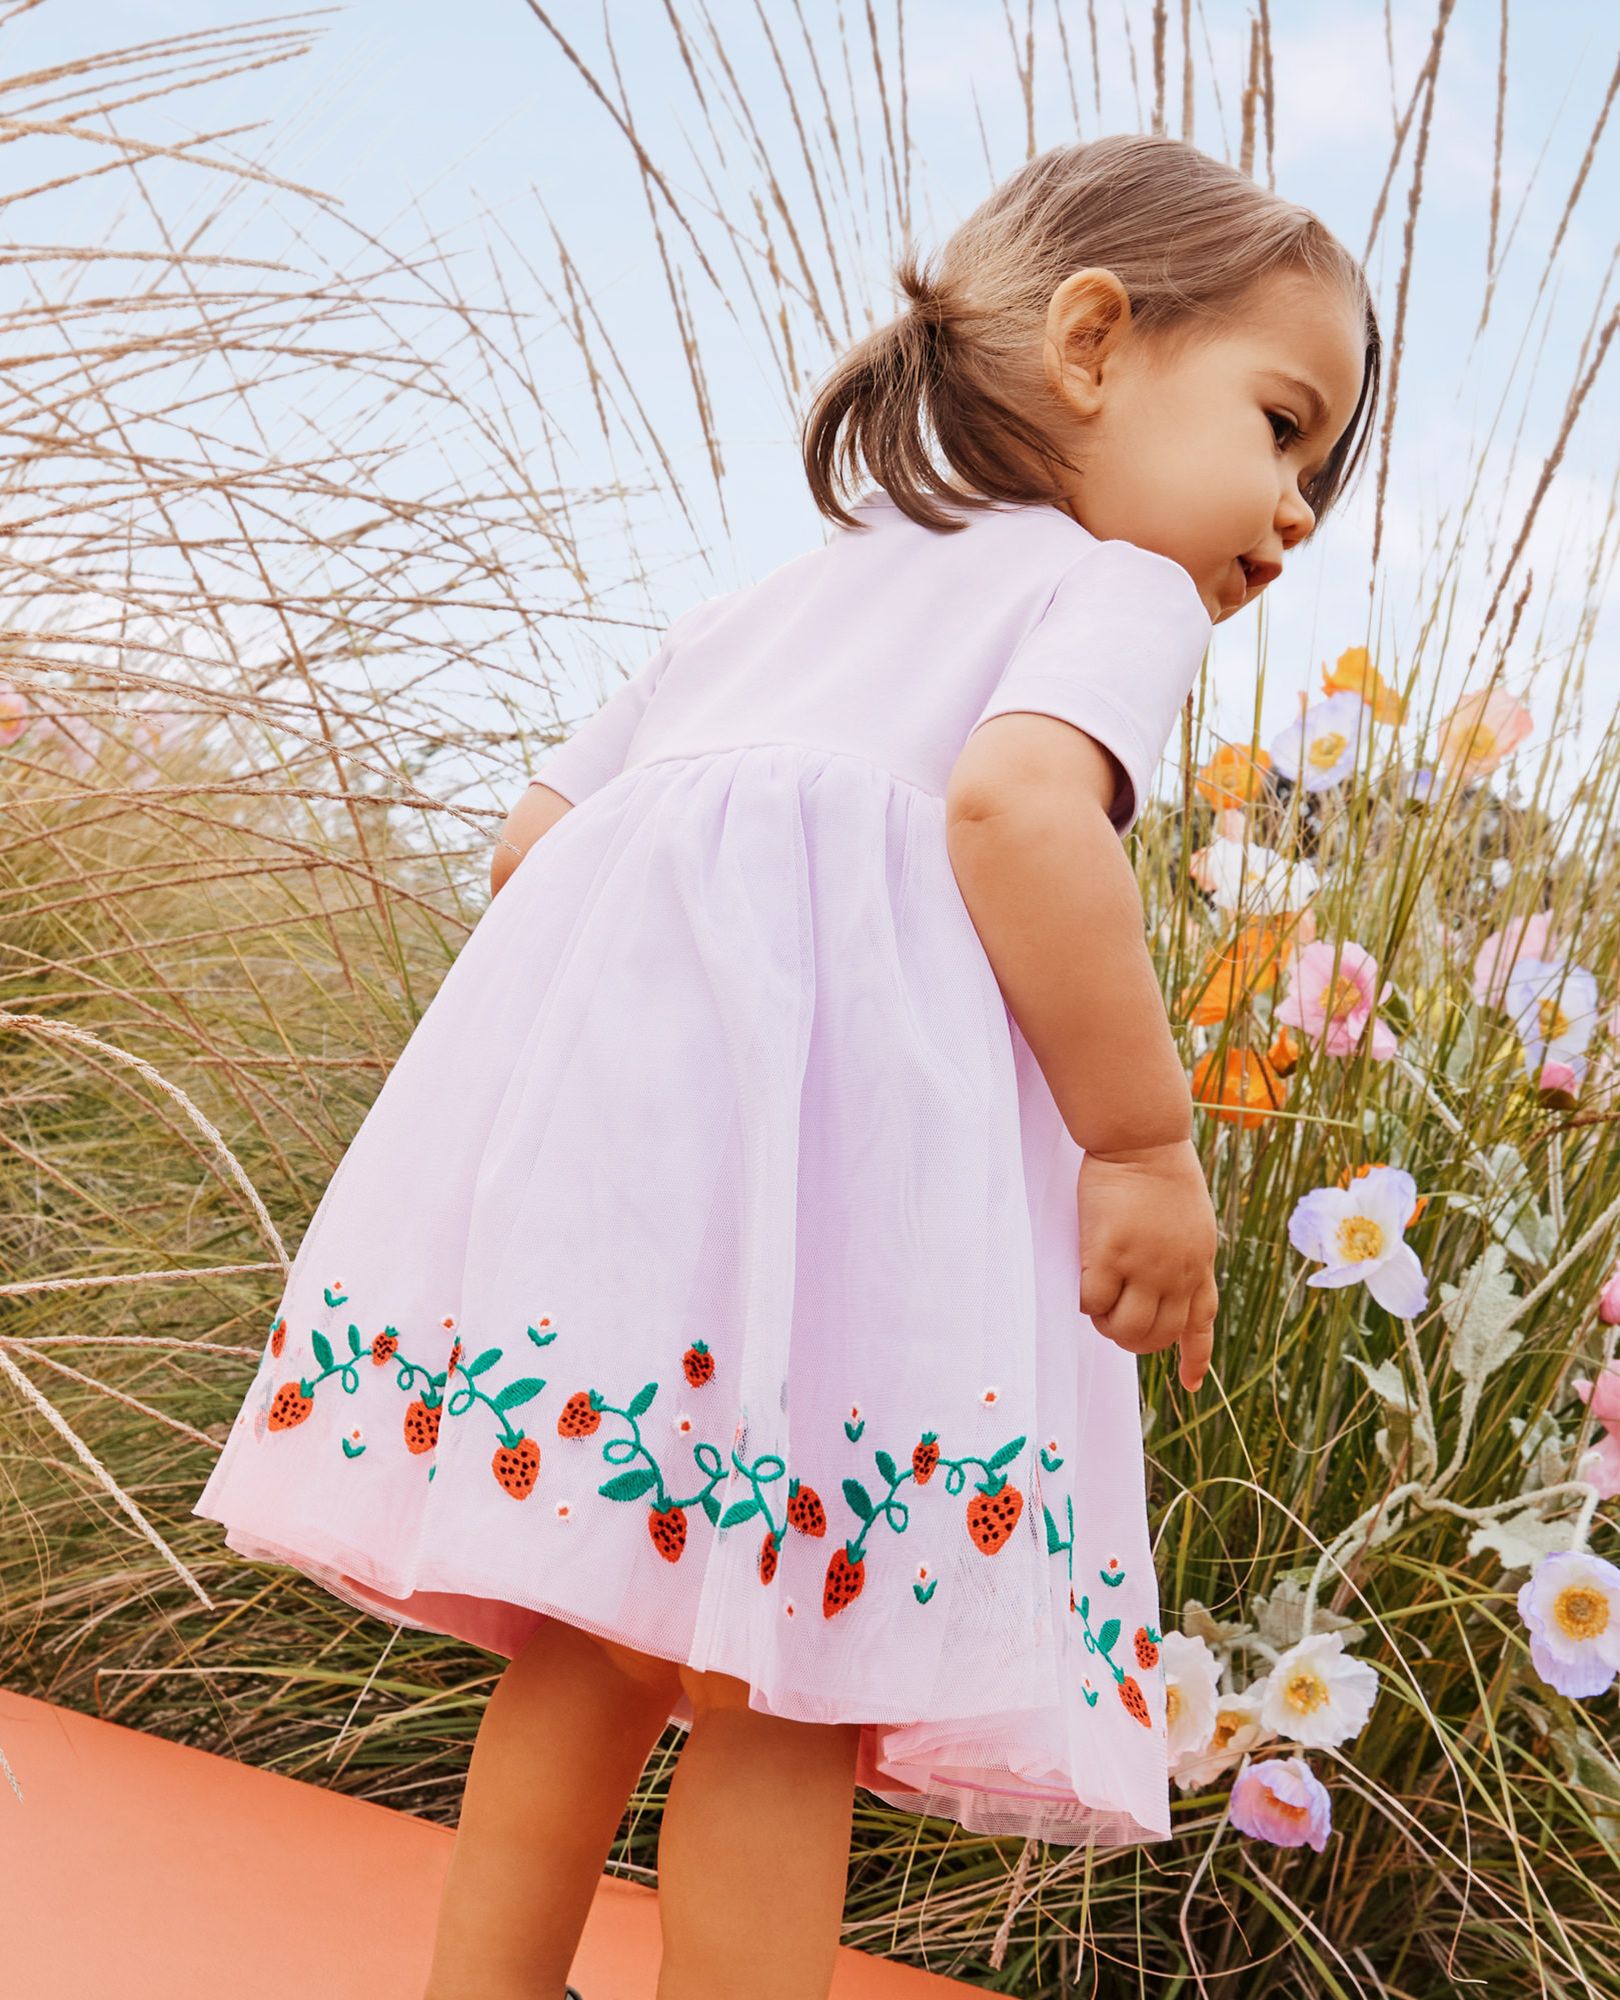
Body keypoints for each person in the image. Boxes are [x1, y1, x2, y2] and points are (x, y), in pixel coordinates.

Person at [193, 130, 1379, 2000]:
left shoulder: (768, 599)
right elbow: (1014, 813)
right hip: (846, 1244)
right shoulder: (1108, 591)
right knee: (785, 1671)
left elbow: (532, 852)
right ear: (1093, 340)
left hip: (623, 1204)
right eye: (1283, 421)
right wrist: (1138, 1142)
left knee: (590, 1637)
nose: (1298, 505)